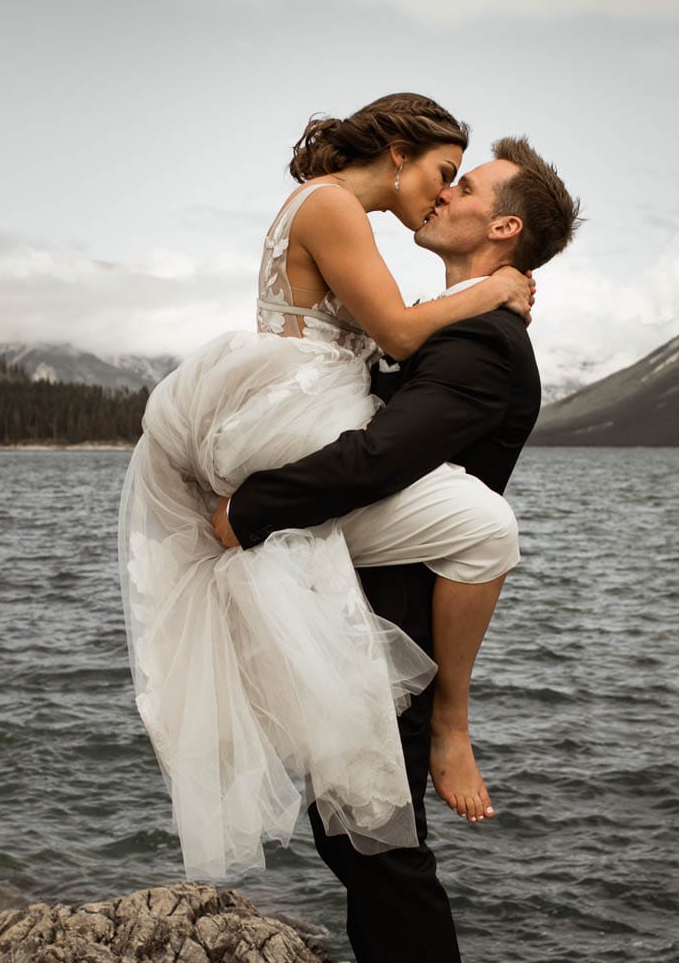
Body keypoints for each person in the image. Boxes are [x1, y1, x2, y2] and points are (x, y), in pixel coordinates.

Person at [118, 93, 537, 881]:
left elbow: (391, 334)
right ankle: (435, 729)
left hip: (307, 409)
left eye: (459, 182)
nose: (441, 192)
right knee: (485, 528)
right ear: (400, 152)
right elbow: (401, 333)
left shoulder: (339, 213)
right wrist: (495, 288)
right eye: (442, 172)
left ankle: (380, 745)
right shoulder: (335, 206)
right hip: (297, 414)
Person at [214, 136, 582, 963]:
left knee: (381, 849)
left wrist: (250, 507)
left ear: (504, 226)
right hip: (367, 600)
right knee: (357, 840)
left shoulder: (482, 345)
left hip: (401, 622)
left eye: (466, 187)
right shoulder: (455, 326)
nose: (443, 195)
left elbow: (380, 460)